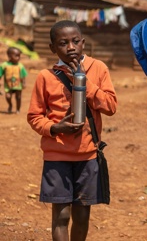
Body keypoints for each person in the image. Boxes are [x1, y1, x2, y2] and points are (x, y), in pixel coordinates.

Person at [27, 20, 117, 241]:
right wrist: (55, 127)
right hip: (56, 154)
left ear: (83, 43)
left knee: (82, 215)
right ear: (52, 48)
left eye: (75, 41)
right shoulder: (46, 77)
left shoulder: (98, 69)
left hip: (88, 154)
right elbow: (34, 116)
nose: (70, 47)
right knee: (61, 215)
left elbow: (110, 107)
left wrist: (84, 82)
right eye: (63, 43)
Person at [0, 47, 27, 113]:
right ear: (9, 55)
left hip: (18, 85)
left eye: (19, 56)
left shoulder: (20, 66)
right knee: (8, 96)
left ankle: (18, 109)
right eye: (16, 56)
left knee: (18, 97)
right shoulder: (4, 65)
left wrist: (23, 83)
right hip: (8, 85)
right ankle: (10, 105)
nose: (18, 58)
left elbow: (23, 76)